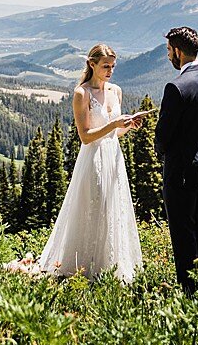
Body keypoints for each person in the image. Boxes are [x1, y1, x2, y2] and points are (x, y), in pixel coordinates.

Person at [23, 44, 149, 282]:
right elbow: (86, 136)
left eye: (113, 66)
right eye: (105, 66)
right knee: (94, 207)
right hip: (93, 159)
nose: (110, 71)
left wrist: (128, 126)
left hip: (113, 157)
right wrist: (114, 124)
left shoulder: (116, 91)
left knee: (113, 207)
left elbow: (113, 134)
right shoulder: (82, 93)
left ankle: (111, 266)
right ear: (92, 65)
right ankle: (84, 267)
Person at [154, 26, 198, 295]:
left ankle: (188, 291)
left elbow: (163, 135)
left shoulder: (176, 87)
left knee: (182, 232)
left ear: (178, 51)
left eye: (168, 51)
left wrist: (162, 152)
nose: (168, 56)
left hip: (181, 171)